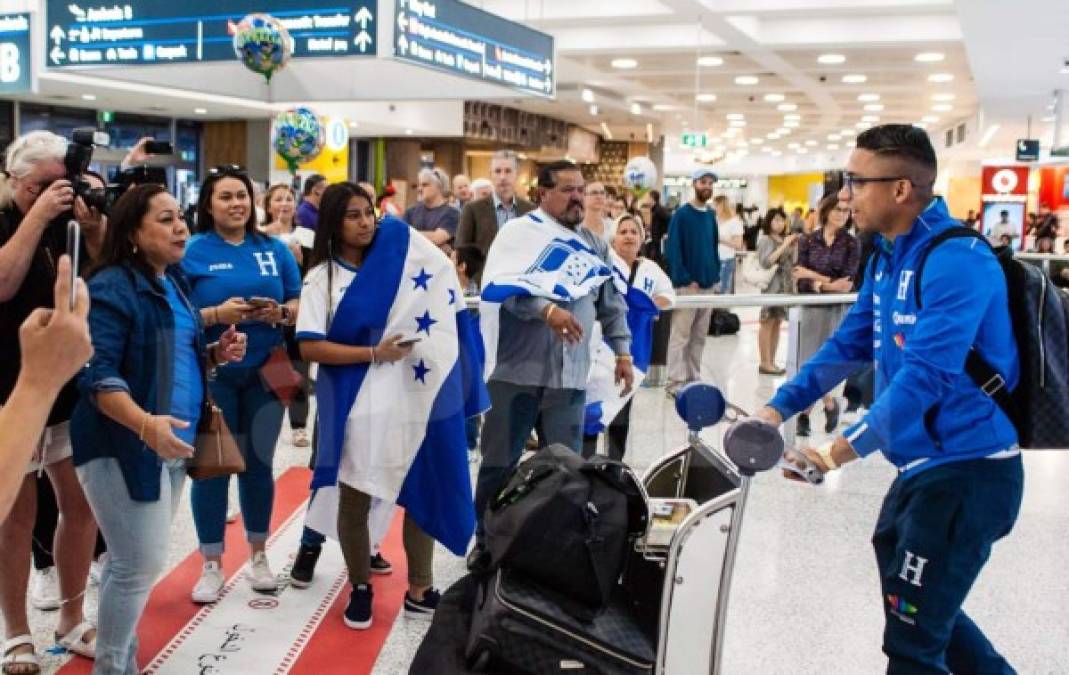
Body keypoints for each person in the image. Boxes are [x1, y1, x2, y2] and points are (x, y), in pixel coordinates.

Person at [759, 124, 1023, 673]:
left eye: (857, 181)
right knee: (925, 616)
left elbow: (926, 376)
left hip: (968, 472)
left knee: (912, 641)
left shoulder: (958, 260)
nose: (846, 194)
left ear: (901, 189)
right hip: (920, 471)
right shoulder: (885, 257)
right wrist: (777, 407)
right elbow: (847, 344)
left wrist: (836, 451)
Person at [72, 184, 246, 675]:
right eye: (166, 219)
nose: (181, 228)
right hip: (122, 444)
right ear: (132, 232)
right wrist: (146, 425)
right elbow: (97, 375)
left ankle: (120, 659)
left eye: (181, 218)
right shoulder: (109, 286)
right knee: (136, 566)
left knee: (129, 563)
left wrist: (215, 354)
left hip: (168, 442)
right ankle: (113, 667)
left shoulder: (174, 282)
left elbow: (169, 358)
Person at [296, 183, 484, 629]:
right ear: (333, 223)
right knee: (356, 497)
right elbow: (310, 348)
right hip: (353, 405)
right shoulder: (321, 278)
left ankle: (420, 587)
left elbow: (435, 283)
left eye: (369, 214)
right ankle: (359, 586)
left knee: (420, 486)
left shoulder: (401, 262)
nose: (365, 223)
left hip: (408, 401)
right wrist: (373, 354)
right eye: (353, 216)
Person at [470, 161, 633, 569]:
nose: (577, 197)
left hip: (570, 377)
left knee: (567, 468)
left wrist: (624, 351)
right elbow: (504, 291)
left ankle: (550, 543)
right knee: (499, 464)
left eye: (581, 189)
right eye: (567, 190)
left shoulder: (594, 244)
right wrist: (546, 311)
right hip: (516, 373)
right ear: (542, 194)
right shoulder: (519, 236)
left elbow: (611, 302)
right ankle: (486, 540)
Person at [0, 131, 105, 673]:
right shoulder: (13, 216)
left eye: (59, 185)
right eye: (40, 186)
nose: (53, 193)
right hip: (10, 388)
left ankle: (71, 614)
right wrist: (38, 215)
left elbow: (102, 274)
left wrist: (89, 223)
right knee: (16, 514)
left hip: (65, 382)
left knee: (79, 504)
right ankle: (15, 631)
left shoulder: (68, 219)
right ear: (14, 180)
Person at [182, 166, 301, 603]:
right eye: (226, 196)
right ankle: (211, 564)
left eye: (243, 196)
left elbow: (298, 300)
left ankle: (258, 555)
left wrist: (281, 313)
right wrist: (217, 315)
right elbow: (174, 312)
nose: (236, 204)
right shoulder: (191, 251)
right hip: (213, 373)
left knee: (258, 464)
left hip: (270, 369)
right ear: (209, 204)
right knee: (212, 467)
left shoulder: (274, 249)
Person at [0, 257, 91, 521]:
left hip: (51, 398)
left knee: (80, 506)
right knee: (18, 519)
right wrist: (37, 385)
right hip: (21, 383)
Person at [582, 214, 674, 460]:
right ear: (613, 239)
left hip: (634, 347)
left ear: (642, 239)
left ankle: (614, 464)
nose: (629, 236)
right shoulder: (604, 263)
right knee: (591, 405)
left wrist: (645, 305)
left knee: (620, 405)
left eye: (634, 232)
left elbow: (668, 296)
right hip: (600, 343)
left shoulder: (650, 269)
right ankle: (584, 463)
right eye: (623, 231)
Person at [791, 194, 860, 436]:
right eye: (838, 210)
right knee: (808, 362)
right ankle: (829, 404)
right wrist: (827, 283)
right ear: (827, 211)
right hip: (811, 308)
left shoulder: (852, 243)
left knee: (826, 363)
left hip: (836, 309)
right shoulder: (808, 240)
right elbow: (799, 277)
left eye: (846, 210)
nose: (842, 214)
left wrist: (817, 279)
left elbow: (847, 284)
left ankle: (804, 414)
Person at [262, 183, 313, 448]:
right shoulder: (260, 237)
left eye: (289, 199)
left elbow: (312, 278)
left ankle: (298, 425)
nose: (284, 204)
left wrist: (300, 259)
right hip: (267, 313)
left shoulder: (306, 236)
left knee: (298, 367)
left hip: (298, 313)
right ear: (268, 206)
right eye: (278, 199)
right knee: (273, 367)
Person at [663, 168, 720, 397]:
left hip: (708, 286)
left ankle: (693, 377)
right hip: (688, 287)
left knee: (699, 336)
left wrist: (715, 276)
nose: (707, 186)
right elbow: (673, 250)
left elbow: (713, 246)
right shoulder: (682, 215)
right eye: (703, 182)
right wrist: (684, 279)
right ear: (694, 184)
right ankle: (675, 382)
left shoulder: (710, 215)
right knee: (681, 335)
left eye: (710, 183)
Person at [456, 150, 535, 258]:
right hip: (484, 273)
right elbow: (461, 250)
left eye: (508, 171)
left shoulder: (529, 209)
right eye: (498, 171)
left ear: (517, 174)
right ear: (491, 175)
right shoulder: (472, 209)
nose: (502, 177)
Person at [756, 208, 799, 376]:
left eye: (782, 220)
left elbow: (793, 262)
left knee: (777, 323)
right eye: (775, 220)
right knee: (767, 323)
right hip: (771, 288)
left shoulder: (784, 239)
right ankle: (764, 362)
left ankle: (772, 361)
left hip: (785, 287)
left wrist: (793, 246)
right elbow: (766, 262)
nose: (779, 224)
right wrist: (785, 244)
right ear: (768, 222)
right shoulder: (766, 239)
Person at [404, 167, 458, 249]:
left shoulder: (452, 213)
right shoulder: (411, 211)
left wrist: (410, 234)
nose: (419, 189)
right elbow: (401, 236)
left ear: (439, 187)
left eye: (425, 185)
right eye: (419, 185)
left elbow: (436, 238)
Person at [714, 195, 744, 293]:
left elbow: (738, 244)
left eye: (716, 205)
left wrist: (720, 240)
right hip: (713, 259)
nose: (714, 208)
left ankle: (723, 308)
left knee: (724, 291)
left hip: (726, 260)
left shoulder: (734, 222)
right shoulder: (715, 220)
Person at [581, 180, 615, 246]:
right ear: (583, 197)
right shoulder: (575, 227)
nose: (599, 196)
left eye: (602, 193)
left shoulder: (612, 226)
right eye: (594, 193)